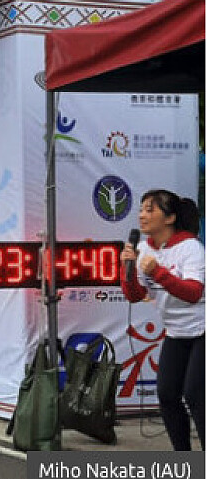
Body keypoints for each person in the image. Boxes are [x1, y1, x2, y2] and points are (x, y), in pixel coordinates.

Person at [120, 189, 204, 451]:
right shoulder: (144, 248)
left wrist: (158, 272)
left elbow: (193, 293)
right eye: (141, 210)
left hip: (203, 329)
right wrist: (127, 269)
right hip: (177, 332)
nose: (142, 216)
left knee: (195, 394)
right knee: (167, 395)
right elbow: (135, 295)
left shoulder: (191, 247)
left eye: (150, 210)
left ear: (169, 218)